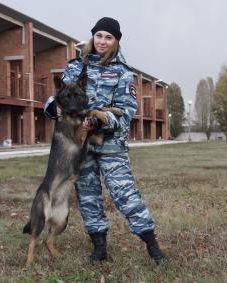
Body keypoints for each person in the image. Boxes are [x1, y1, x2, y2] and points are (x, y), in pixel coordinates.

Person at [43, 17, 166, 265]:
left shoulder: (122, 72)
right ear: (92, 37)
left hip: (111, 147)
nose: (102, 41)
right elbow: (57, 98)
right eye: (99, 35)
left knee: (126, 195)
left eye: (108, 37)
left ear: (116, 41)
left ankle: (153, 246)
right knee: (88, 197)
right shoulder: (75, 67)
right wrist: (51, 108)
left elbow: (127, 112)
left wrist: (100, 121)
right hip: (79, 147)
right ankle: (99, 249)